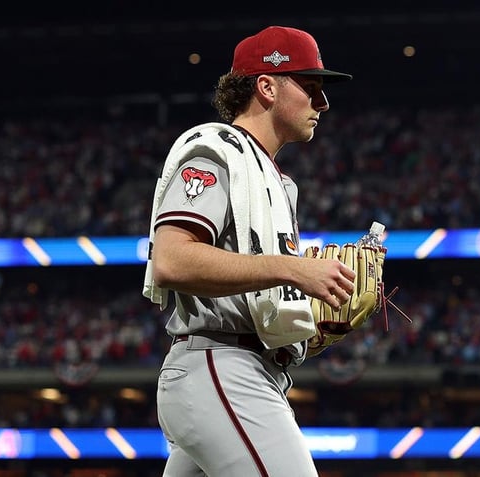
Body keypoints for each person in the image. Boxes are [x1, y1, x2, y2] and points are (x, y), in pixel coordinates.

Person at [142, 25, 355, 476]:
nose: (323, 103)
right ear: (266, 86)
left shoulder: (275, 181)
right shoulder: (215, 151)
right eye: (311, 87)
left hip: (242, 370)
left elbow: (252, 295)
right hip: (221, 368)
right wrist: (292, 270)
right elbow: (171, 259)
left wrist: (303, 327)